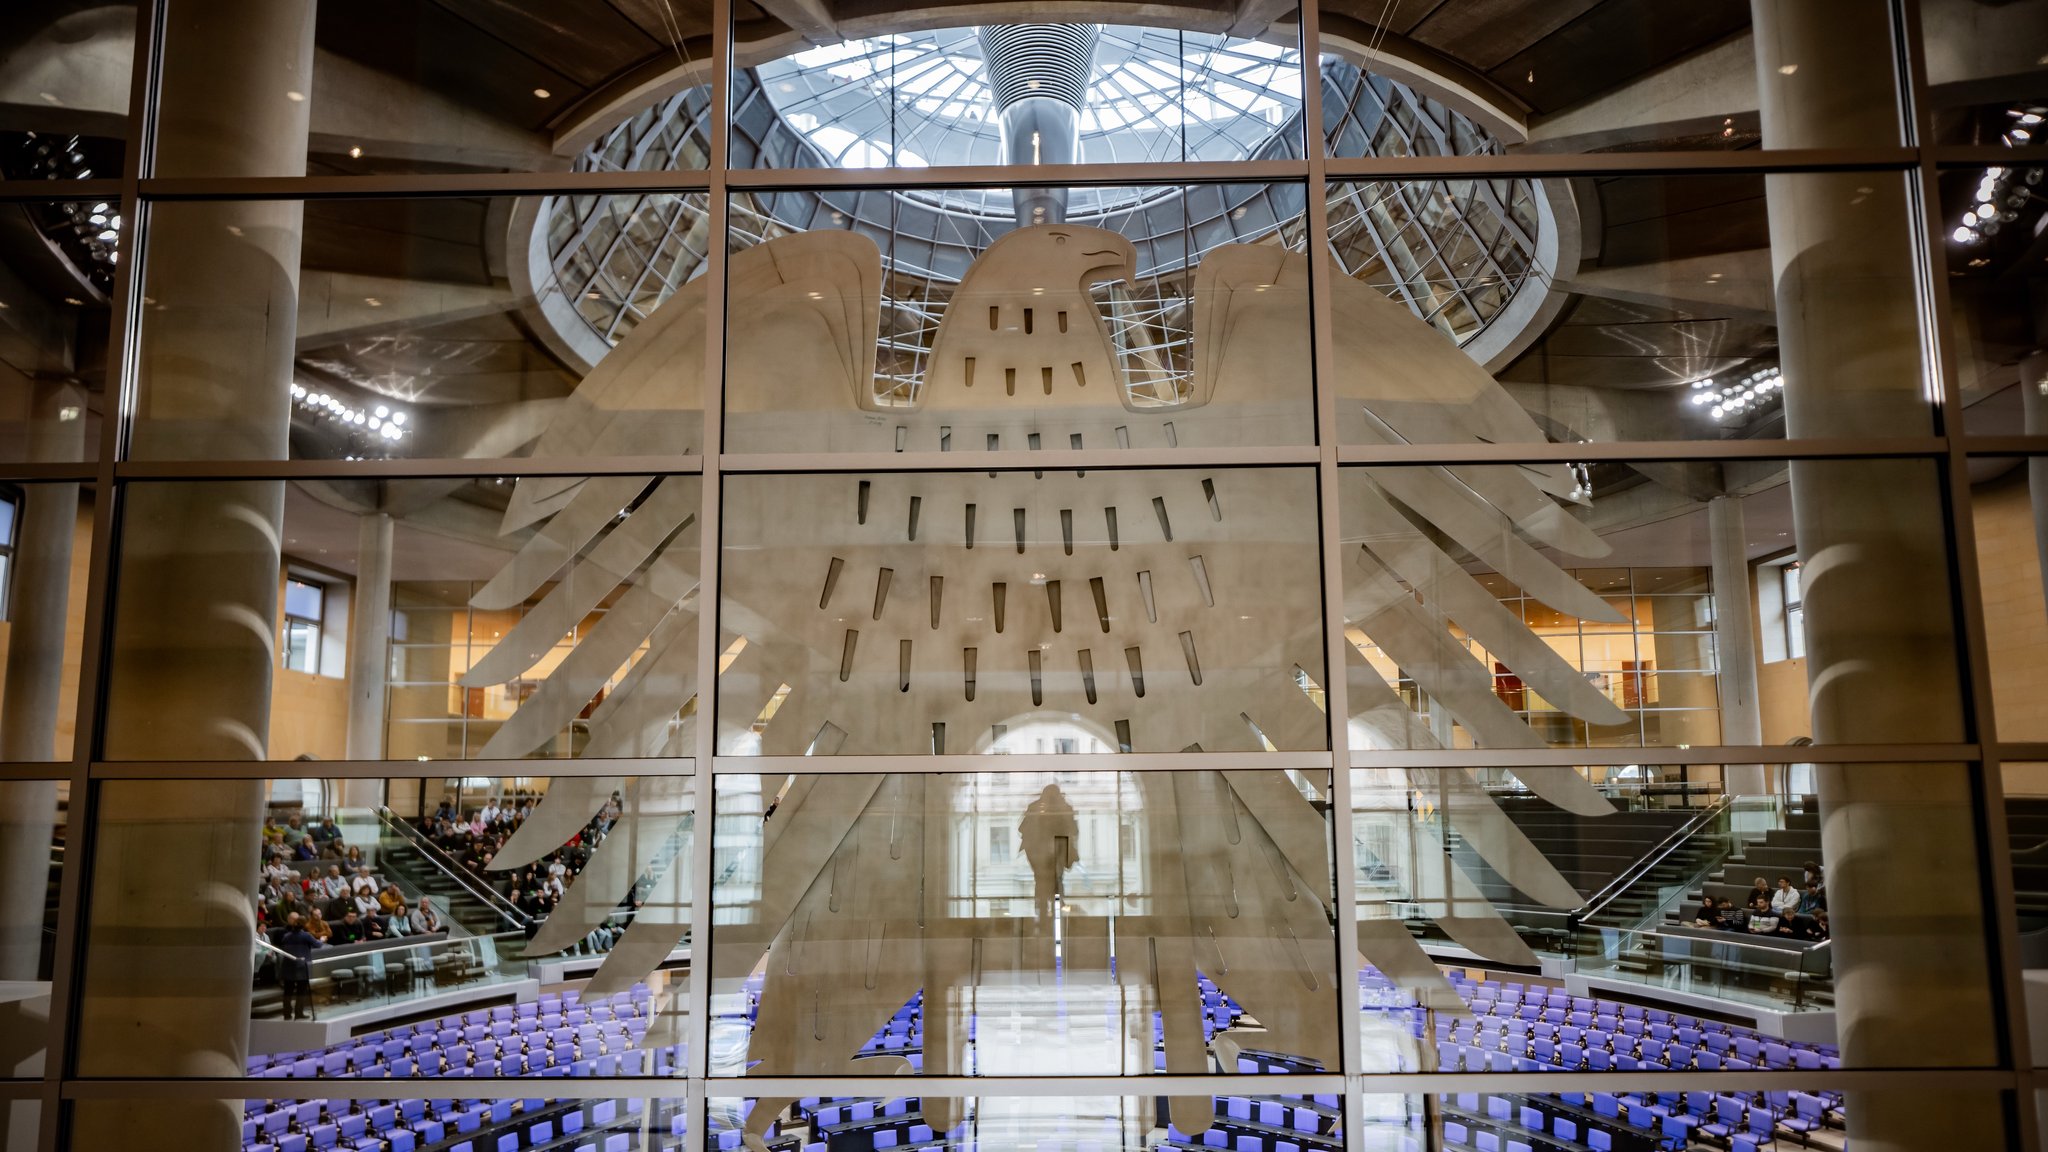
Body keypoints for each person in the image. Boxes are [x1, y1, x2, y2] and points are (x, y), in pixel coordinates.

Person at [1018, 783, 1081, 921]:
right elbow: (1073, 830)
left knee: (1044, 880)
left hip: (1045, 851)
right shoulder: (1063, 807)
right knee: (1052, 879)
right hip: (1049, 850)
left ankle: (1044, 909)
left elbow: (1023, 829)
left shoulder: (1036, 807)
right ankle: (1051, 908)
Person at [268, 913, 321, 1021]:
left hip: (288, 967)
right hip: (302, 967)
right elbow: (318, 945)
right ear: (304, 925)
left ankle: (287, 1014)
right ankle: (298, 1013)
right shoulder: (306, 935)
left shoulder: (286, 936)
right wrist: (323, 939)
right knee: (301, 992)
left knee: (288, 992)